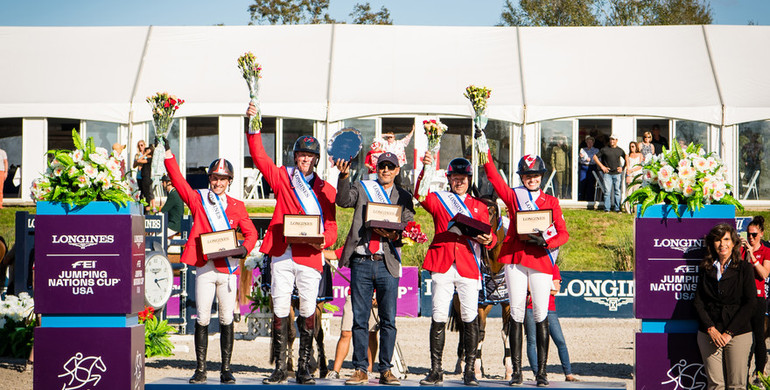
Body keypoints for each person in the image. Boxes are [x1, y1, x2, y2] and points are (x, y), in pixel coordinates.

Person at [246, 103, 338, 385]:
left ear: (316, 159)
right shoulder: (282, 177)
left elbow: (332, 226)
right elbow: (259, 156)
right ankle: (279, 367)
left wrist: (326, 240)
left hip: (309, 255)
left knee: (309, 310)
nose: (304, 160)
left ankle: (303, 368)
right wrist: (253, 125)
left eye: (310, 156)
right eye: (301, 155)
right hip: (282, 253)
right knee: (279, 309)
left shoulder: (327, 190)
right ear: (294, 156)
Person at [163, 144, 258, 385]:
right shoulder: (198, 199)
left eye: (223, 179)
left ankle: (226, 369)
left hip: (228, 268)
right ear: (210, 179)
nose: (218, 183)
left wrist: (244, 249)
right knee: (202, 316)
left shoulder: (238, 206)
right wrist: (169, 157)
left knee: (227, 317)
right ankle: (201, 369)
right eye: (215, 178)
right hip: (205, 265)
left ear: (230, 181)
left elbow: (252, 233)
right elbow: (179, 182)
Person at [483, 149, 569, 387]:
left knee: (541, 313)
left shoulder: (551, 202)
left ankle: (541, 372)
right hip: (515, 258)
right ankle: (517, 372)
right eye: (527, 175)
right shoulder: (513, 196)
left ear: (541, 176)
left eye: (536, 175)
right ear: (522, 177)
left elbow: (563, 233)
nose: (532, 178)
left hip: (540, 258)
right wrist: (484, 149)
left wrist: (548, 242)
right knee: (517, 312)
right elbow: (493, 178)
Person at [414, 152, 497, 386]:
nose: (459, 181)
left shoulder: (480, 207)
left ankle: (469, 370)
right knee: (439, 316)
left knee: (470, 317)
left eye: (463, 178)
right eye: (455, 177)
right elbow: (420, 195)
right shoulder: (439, 199)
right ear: (449, 179)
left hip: (468, 264)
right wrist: (426, 168)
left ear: (469, 180)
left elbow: (490, 239)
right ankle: (436, 369)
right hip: (442, 263)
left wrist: (486, 239)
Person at [334, 152, 415, 386]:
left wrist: (396, 231)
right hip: (362, 260)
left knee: (388, 320)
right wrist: (343, 176)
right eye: (382, 166)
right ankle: (360, 369)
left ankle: (386, 370)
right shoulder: (362, 187)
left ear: (397, 170)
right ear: (376, 168)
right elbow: (342, 200)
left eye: (391, 167)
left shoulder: (403, 195)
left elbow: (409, 220)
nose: (386, 170)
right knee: (359, 320)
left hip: (387, 262)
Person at [693, 223, 756, 390]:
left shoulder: (745, 268)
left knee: (737, 385)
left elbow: (750, 303)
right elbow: (698, 302)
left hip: (737, 333)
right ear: (712, 244)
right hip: (709, 334)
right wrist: (710, 329)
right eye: (718, 240)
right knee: (715, 385)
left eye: (726, 239)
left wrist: (729, 333)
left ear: (734, 242)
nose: (722, 244)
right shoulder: (705, 268)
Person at [523, 264, 578, 382]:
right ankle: (537, 373)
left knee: (560, 341)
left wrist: (538, 289)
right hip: (532, 308)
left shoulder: (553, 266)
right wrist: (546, 288)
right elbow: (529, 288)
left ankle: (568, 374)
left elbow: (555, 290)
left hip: (549, 308)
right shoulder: (530, 266)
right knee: (532, 342)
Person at [744, 217, 770, 385]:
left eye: (754, 235)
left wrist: (753, 257)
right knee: (742, 338)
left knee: (759, 338)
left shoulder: (766, 251)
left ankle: (759, 373)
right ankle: (741, 371)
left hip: (759, 298)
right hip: (742, 299)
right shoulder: (741, 250)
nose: (751, 238)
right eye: (748, 234)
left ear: (761, 234)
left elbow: (764, 274)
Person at [593, 134, 626, 213]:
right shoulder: (605, 149)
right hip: (607, 174)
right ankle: (607, 209)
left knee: (617, 192)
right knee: (607, 192)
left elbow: (627, 158)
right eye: (611, 139)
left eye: (613, 139)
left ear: (616, 141)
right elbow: (595, 157)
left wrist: (623, 167)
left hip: (617, 173)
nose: (612, 141)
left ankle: (617, 208)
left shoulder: (620, 150)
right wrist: (602, 167)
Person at [578, 136, 599, 201]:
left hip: (592, 167)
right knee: (582, 183)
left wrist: (588, 159)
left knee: (591, 183)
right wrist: (586, 159)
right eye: (588, 142)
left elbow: (597, 159)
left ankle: (590, 199)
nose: (589, 143)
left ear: (593, 143)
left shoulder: (596, 150)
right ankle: (580, 199)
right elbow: (580, 159)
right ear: (586, 142)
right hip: (584, 167)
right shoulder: (583, 150)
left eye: (591, 142)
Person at [625, 142, 644, 212]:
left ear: (636, 147)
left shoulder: (640, 155)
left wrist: (632, 170)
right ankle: (628, 209)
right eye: (630, 147)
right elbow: (627, 165)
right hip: (630, 175)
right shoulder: (628, 155)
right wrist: (628, 175)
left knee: (636, 192)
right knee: (629, 192)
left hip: (637, 175)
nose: (631, 148)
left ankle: (635, 209)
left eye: (633, 146)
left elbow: (640, 166)